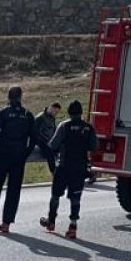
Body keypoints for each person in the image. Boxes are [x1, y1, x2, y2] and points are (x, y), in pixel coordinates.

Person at [39, 100, 98, 239]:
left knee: (55, 195)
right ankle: (73, 227)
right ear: (81, 112)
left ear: (69, 113)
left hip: (64, 166)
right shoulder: (88, 127)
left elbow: (53, 145)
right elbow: (94, 146)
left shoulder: (64, 125)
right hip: (80, 167)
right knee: (75, 198)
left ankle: (51, 221)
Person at [0, 86, 37, 233]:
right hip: (18, 157)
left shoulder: (3, 113)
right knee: (13, 191)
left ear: (8, 97)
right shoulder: (27, 115)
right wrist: (25, 153)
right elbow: (34, 138)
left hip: (2, 154)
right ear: (21, 97)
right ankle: (6, 223)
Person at [33, 103, 61, 174]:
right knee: (49, 151)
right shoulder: (40, 117)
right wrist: (45, 141)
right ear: (51, 108)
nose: (56, 114)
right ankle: (54, 171)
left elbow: (54, 130)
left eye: (57, 112)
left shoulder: (52, 118)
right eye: (56, 112)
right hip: (41, 141)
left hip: (50, 140)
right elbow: (34, 132)